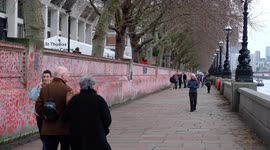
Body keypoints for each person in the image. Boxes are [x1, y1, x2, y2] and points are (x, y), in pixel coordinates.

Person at [62, 75, 112, 150]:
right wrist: (102, 130)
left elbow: (64, 117)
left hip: (77, 137)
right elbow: (107, 119)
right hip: (97, 136)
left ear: (80, 85)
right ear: (93, 85)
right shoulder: (99, 99)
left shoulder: (74, 100)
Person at [35, 66, 73, 150]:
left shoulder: (44, 89)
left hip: (48, 129)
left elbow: (38, 107)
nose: (69, 76)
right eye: (67, 74)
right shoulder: (68, 90)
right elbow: (72, 110)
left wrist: (46, 116)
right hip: (64, 129)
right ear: (62, 75)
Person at [29, 70, 52, 150]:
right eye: (44, 77)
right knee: (42, 135)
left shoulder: (53, 88)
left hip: (50, 116)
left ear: (51, 78)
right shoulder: (38, 87)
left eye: (47, 77)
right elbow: (32, 97)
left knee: (48, 136)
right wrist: (39, 89)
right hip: (40, 116)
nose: (45, 78)